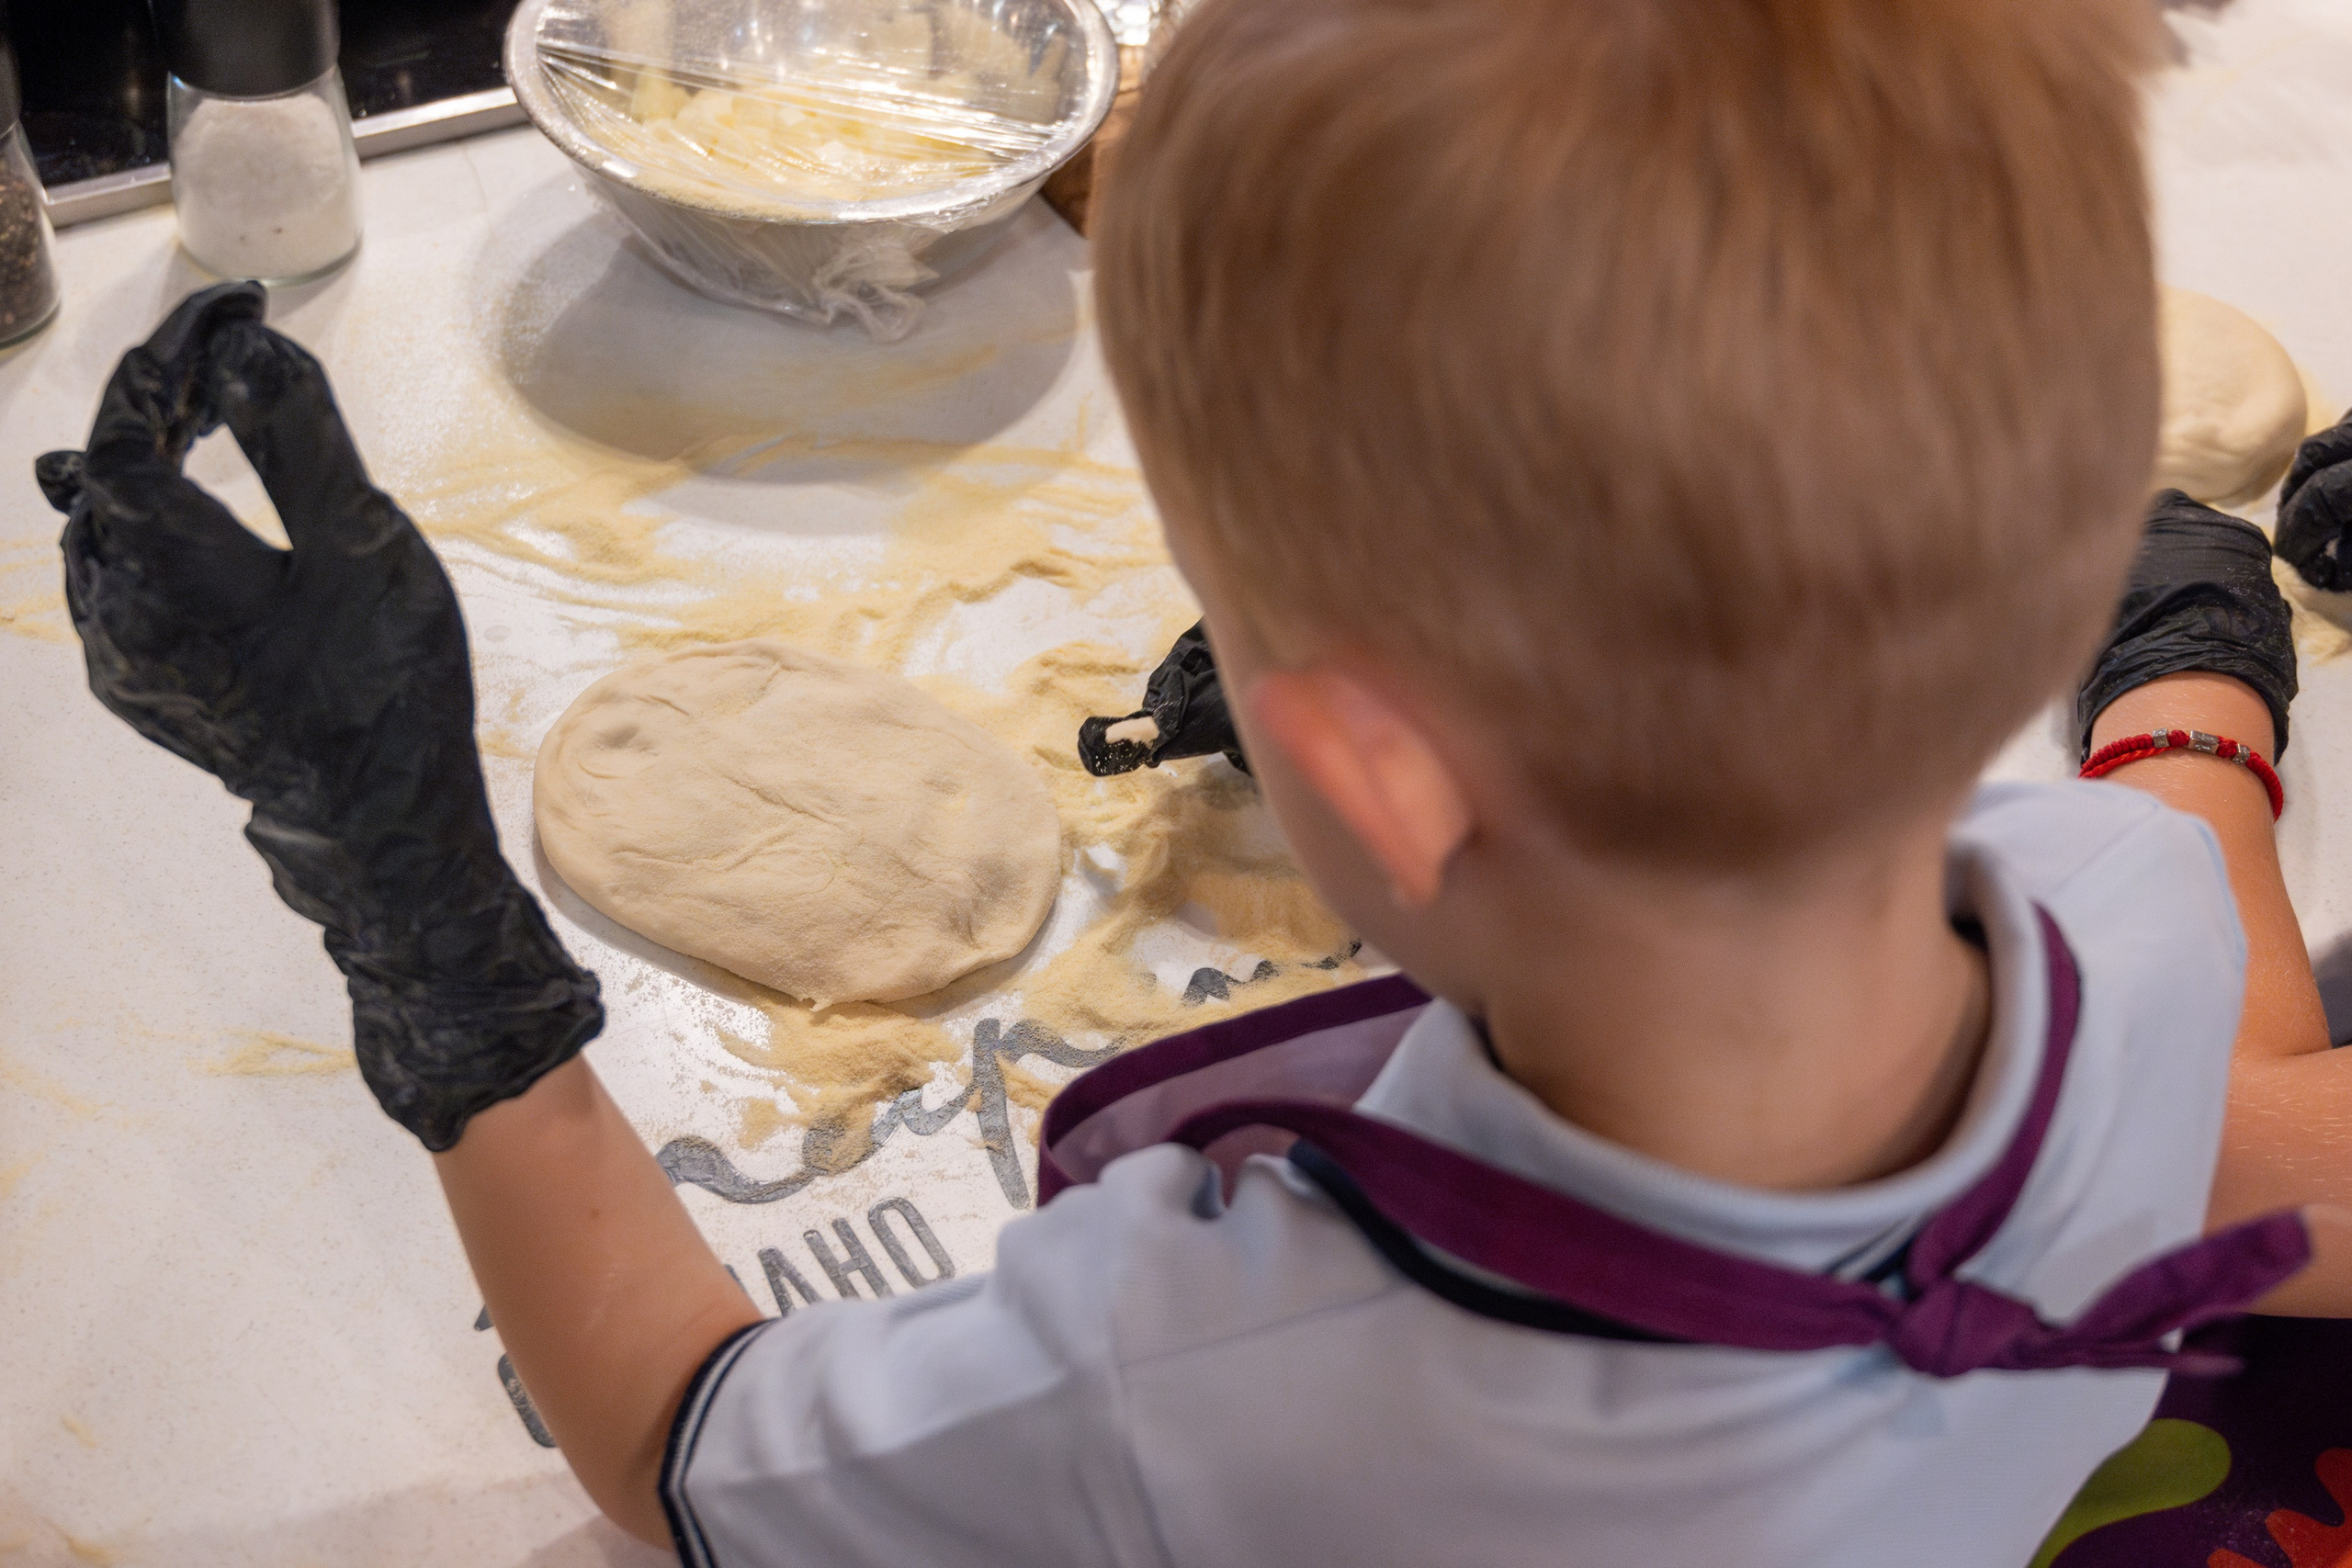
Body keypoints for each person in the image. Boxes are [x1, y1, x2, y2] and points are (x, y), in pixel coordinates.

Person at [37, 0, 2352, 1561]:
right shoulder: (2123, 916)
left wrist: (410, 890)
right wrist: (2194, 668)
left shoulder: (1219, 1363)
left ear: (1367, 765)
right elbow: (2182, 903)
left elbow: (680, 1446)